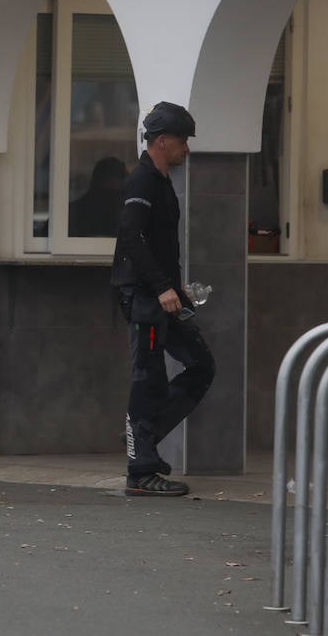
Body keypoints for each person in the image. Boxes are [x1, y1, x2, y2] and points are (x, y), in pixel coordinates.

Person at [111, 102, 215, 496]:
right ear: (162, 140)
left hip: (161, 297)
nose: (187, 148)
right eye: (183, 140)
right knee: (148, 379)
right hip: (143, 299)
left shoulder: (160, 180)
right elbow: (131, 238)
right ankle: (141, 472)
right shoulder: (141, 182)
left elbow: (155, 244)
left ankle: (144, 435)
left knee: (201, 366)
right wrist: (161, 287)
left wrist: (175, 287)